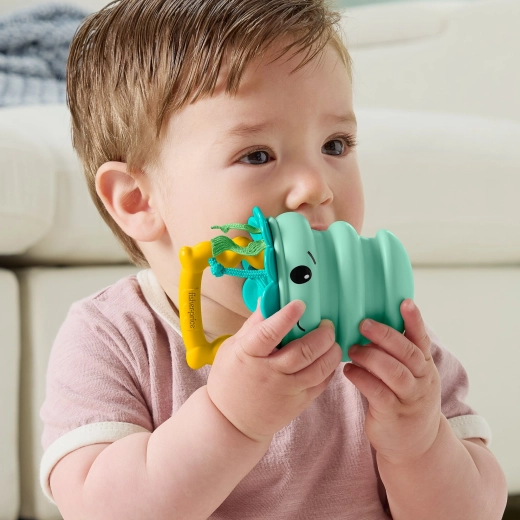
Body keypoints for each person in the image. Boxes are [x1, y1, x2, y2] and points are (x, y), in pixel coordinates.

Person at [39, 0, 508, 518]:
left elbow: (474, 512)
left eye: (335, 145)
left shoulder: (383, 339)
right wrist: (230, 420)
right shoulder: (114, 338)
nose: (316, 187)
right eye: (257, 155)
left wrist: (419, 443)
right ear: (138, 200)